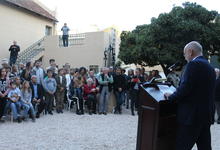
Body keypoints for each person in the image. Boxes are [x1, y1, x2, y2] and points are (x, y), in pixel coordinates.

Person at [164, 41, 216, 150]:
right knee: (205, 147)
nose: (185, 57)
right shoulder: (209, 67)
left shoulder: (193, 64)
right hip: (205, 115)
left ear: (190, 52)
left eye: (184, 54)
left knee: (182, 146)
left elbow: (185, 88)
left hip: (191, 117)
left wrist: (171, 96)